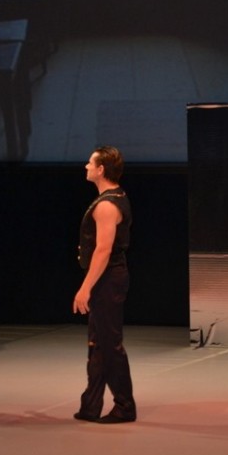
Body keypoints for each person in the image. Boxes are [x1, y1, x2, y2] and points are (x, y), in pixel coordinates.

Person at [72, 146, 137, 424]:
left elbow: (103, 250)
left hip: (108, 279)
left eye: (90, 163)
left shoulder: (107, 205)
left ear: (101, 170)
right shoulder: (112, 198)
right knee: (98, 343)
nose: (86, 167)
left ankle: (125, 406)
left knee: (109, 344)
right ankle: (91, 404)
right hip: (107, 278)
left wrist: (85, 287)